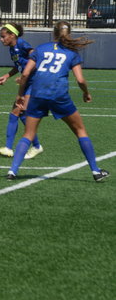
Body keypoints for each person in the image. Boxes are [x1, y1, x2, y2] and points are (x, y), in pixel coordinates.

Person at [6, 21, 109, 183]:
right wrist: (86, 93)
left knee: (28, 134)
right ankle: (96, 171)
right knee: (80, 130)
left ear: (53, 33)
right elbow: (80, 80)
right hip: (59, 95)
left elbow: (25, 74)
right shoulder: (71, 53)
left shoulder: (41, 48)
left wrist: (20, 95)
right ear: (70, 33)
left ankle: (12, 171)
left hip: (38, 94)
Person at [0, 23, 43, 159]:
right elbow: (19, 66)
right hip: (27, 82)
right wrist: (7, 75)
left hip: (35, 81)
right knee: (18, 112)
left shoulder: (21, 44)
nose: (1, 39)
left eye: (3, 36)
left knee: (20, 111)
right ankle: (12, 148)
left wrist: (26, 74)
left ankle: (34, 146)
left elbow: (35, 58)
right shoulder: (12, 49)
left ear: (12, 35)